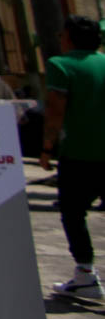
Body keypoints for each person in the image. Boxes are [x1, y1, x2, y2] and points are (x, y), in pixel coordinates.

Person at [40, 15, 105, 299]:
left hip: (80, 154)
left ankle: (86, 274)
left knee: (73, 214)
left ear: (69, 37)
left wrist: (46, 146)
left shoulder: (60, 65)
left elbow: (56, 110)